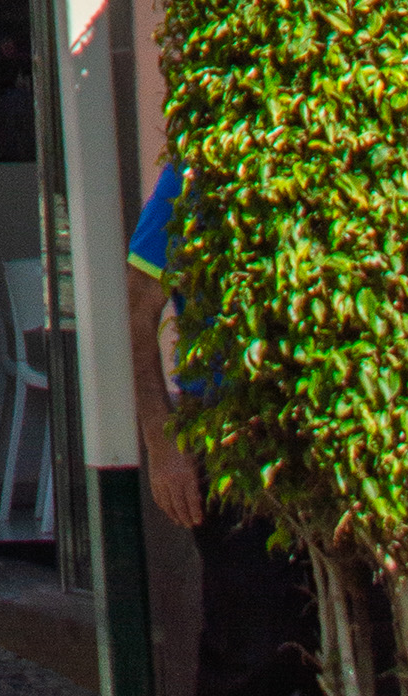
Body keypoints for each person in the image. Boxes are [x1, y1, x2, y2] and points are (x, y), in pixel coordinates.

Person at [127, 161, 318, 696]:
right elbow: (140, 303)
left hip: (325, 444)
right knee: (253, 646)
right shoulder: (195, 171)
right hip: (232, 442)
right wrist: (160, 438)